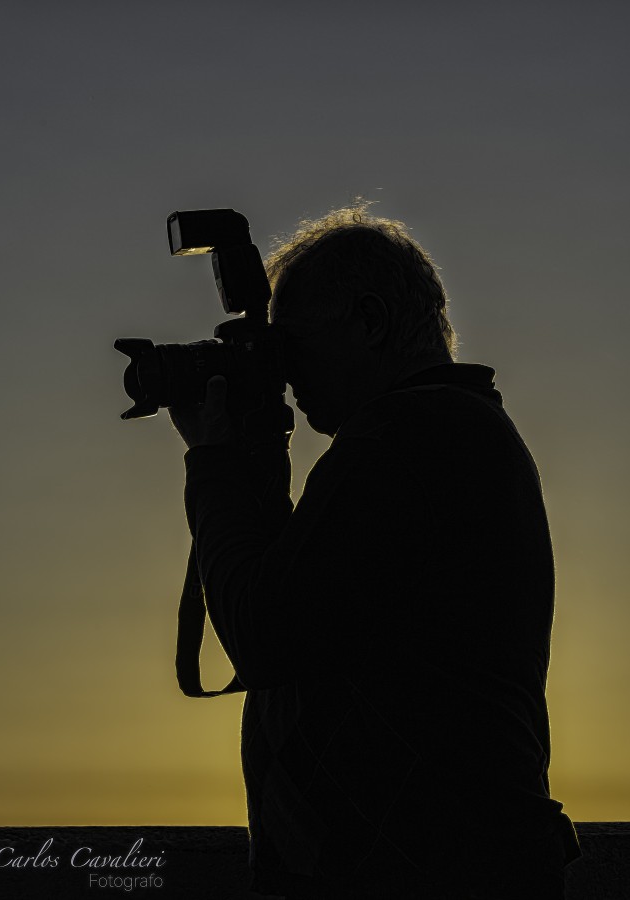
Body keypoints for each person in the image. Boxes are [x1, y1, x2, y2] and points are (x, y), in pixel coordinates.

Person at [168, 203, 580, 899]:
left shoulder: (411, 433)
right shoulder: (446, 432)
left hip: (422, 868)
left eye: (290, 346)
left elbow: (263, 631)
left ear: (369, 320)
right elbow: (304, 605)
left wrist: (217, 467)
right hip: (440, 858)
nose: (283, 378)